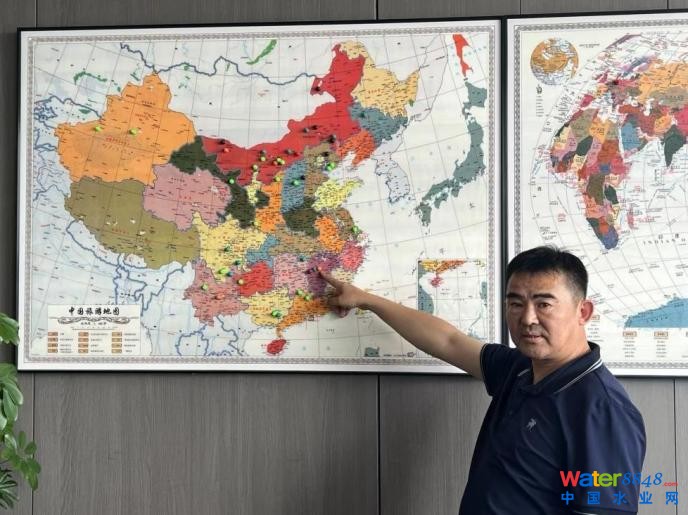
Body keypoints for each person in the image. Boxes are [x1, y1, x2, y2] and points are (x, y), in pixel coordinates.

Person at [320, 246, 646, 514]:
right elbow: (448, 341)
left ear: (582, 312)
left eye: (544, 304)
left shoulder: (602, 409)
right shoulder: (519, 369)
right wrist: (367, 300)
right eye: (515, 303)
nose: (527, 318)